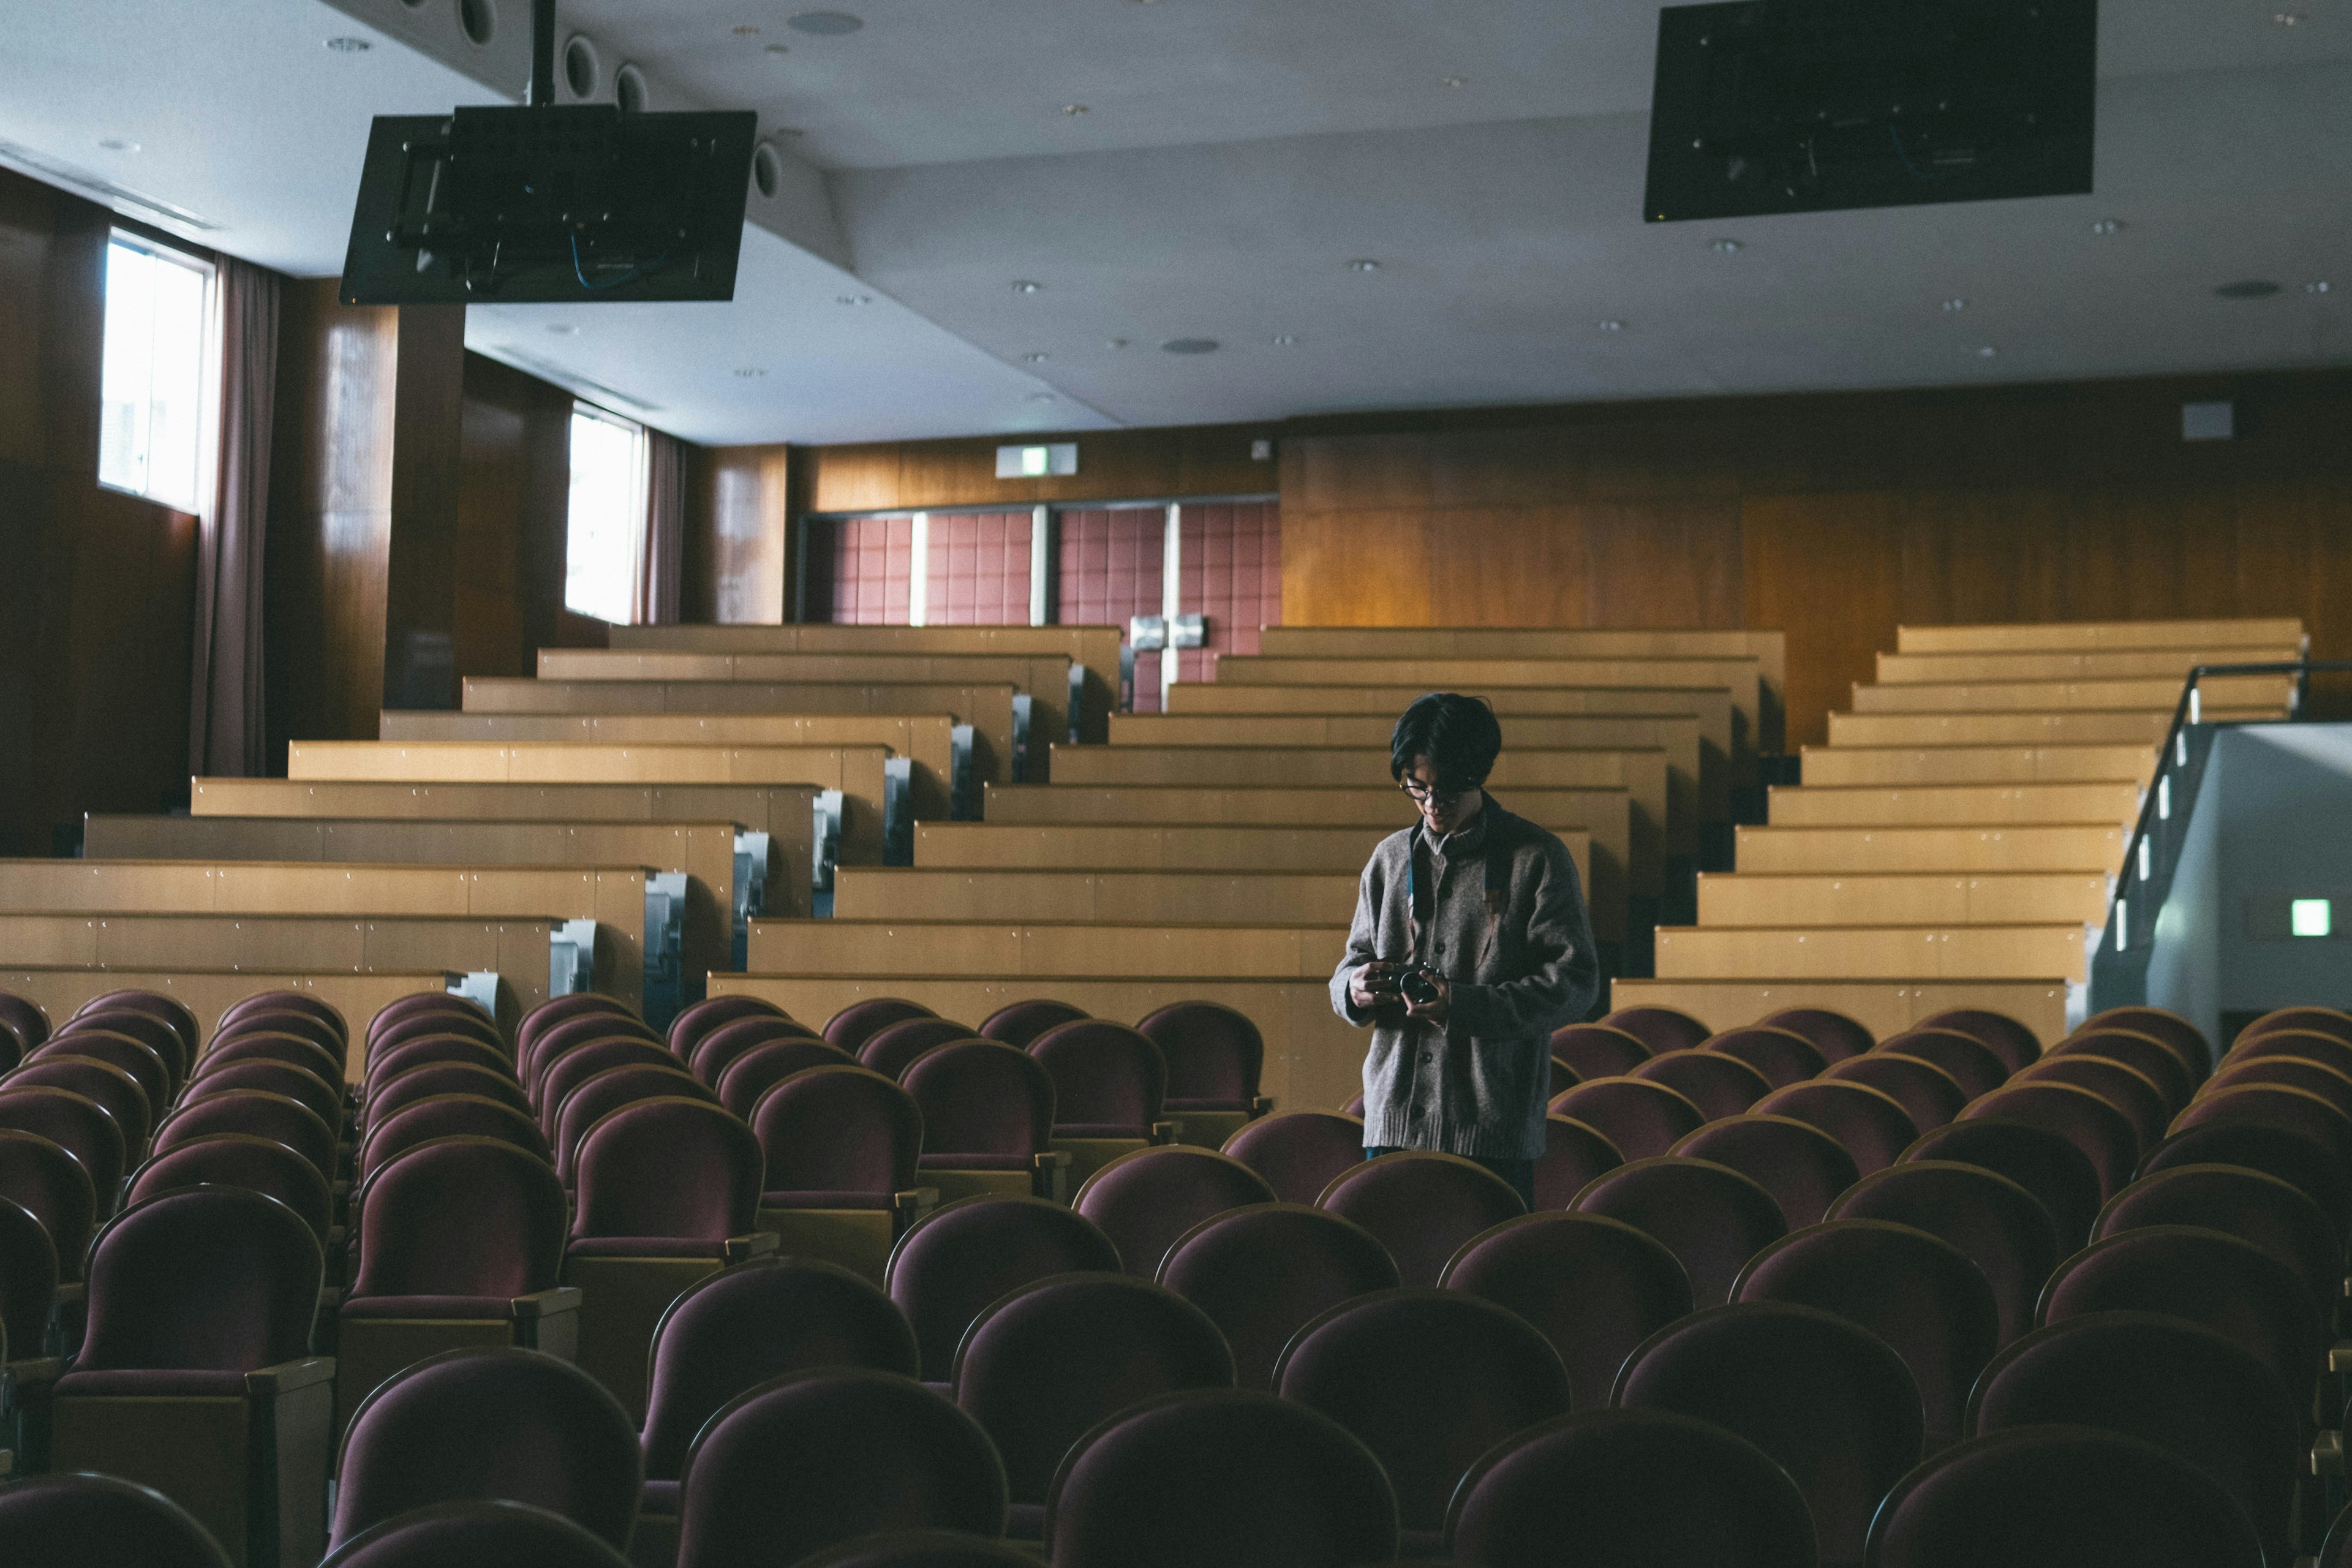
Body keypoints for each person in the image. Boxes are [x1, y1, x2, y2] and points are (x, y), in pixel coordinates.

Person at [1330, 692, 1600, 1208]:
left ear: (1479, 773)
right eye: (1418, 787)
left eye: (1448, 789)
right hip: (1392, 1120)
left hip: (1492, 1126)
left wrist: (1463, 1006)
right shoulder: (1388, 859)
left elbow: (1575, 984)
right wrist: (1354, 987)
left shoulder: (1537, 858)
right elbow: (1351, 961)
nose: (1432, 804)